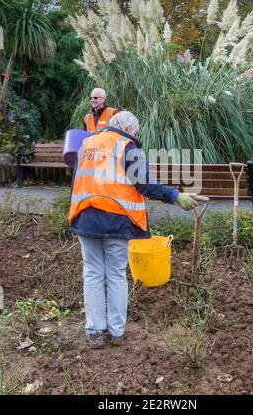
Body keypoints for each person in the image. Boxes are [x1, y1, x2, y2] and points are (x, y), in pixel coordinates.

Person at [69, 111, 200, 348]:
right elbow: (145, 184)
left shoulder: (87, 143)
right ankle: (117, 332)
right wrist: (175, 196)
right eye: (136, 132)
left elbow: (77, 180)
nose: (136, 136)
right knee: (117, 274)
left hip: (85, 218)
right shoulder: (127, 147)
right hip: (116, 221)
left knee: (93, 273)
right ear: (128, 128)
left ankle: (95, 331)